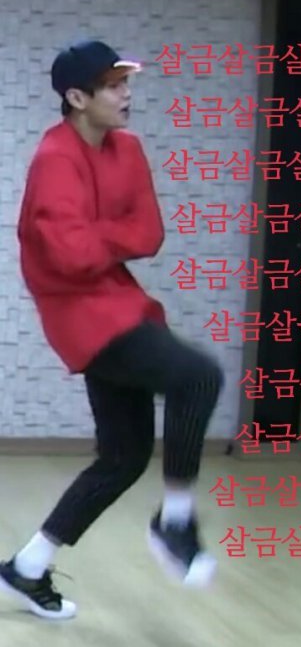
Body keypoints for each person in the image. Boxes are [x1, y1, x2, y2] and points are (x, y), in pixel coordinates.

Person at [0, 39, 224, 620]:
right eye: (113, 86)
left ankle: (26, 568)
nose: (126, 95)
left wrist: (96, 235)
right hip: (80, 317)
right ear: (77, 98)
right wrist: (109, 236)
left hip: (120, 303)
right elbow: (70, 257)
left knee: (123, 458)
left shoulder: (128, 148)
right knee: (198, 376)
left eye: (126, 83)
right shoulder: (54, 158)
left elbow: (149, 233)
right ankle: (175, 521)